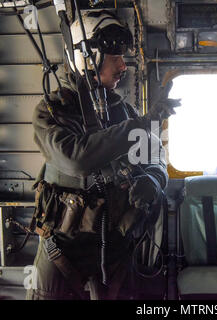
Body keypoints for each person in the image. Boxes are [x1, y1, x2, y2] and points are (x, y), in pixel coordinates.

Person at [26, 11, 179, 300]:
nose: (123, 65)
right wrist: (143, 124)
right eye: (114, 57)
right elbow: (77, 159)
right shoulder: (53, 112)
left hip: (115, 249)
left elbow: (154, 154)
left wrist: (153, 178)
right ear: (89, 58)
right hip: (62, 248)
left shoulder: (124, 111)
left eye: (123, 57)